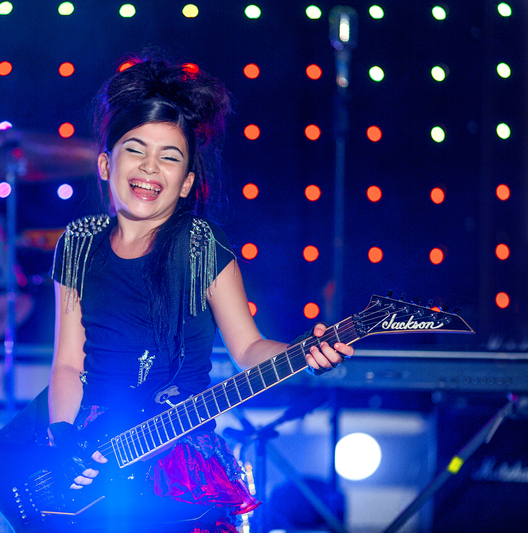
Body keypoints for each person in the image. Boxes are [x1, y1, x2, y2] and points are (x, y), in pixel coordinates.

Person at [47, 51, 354, 533]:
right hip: (95, 454)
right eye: (136, 150)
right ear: (106, 164)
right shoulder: (79, 242)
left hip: (178, 456)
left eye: (169, 157)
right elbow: (67, 363)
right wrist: (62, 439)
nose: (150, 167)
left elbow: (249, 349)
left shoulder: (199, 245)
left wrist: (306, 352)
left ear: (187, 181)